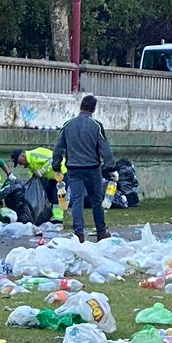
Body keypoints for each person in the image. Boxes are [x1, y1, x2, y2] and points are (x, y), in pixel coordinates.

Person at [53, 94, 116, 242]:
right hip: (92, 169)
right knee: (96, 201)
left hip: (73, 169)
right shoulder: (96, 126)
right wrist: (111, 167)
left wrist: (56, 166)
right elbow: (105, 149)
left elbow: (58, 148)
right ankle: (101, 232)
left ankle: (79, 233)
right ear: (94, 109)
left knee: (77, 200)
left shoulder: (68, 125)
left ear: (80, 106)